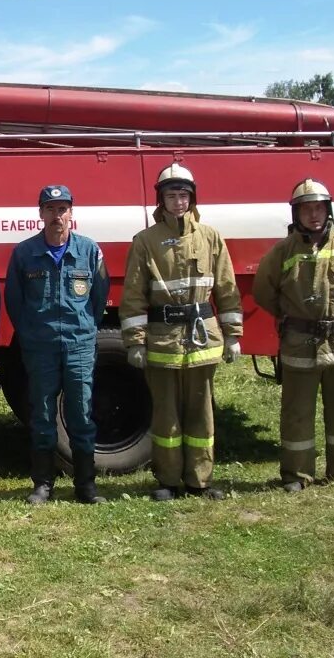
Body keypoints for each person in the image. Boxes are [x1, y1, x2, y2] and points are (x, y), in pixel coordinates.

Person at [119, 164, 242, 501]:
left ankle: (200, 480)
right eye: (171, 195)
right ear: (162, 199)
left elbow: (227, 289)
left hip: (202, 338)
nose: (178, 201)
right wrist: (135, 342)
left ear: (192, 198)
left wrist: (233, 334)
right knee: (166, 415)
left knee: (201, 414)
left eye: (184, 195)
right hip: (163, 339)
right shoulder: (146, 241)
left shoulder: (210, 237)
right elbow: (133, 296)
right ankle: (168, 480)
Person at [253, 178, 334, 493]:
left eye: (318, 207)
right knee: (297, 412)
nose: (313, 214)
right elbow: (263, 291)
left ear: (327, 209)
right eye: (306, 209)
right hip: (299, 343)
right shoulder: (282, 251)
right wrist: (290, 314)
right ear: (297, 214)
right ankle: (296, 475)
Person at [4, 185, 109, 505]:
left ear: (71, 214)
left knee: (80, 413)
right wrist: (32, 333)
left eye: (62, 209)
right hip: (41, 347)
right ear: (40, 214)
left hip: (78, 344)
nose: (56, 216)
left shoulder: (89, 251)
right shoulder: (24, 253)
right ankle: (43, 484)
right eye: (50, 209)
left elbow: (99, 296)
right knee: (43, 413)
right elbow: (14, 301)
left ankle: (85, 486)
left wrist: (85, 328)